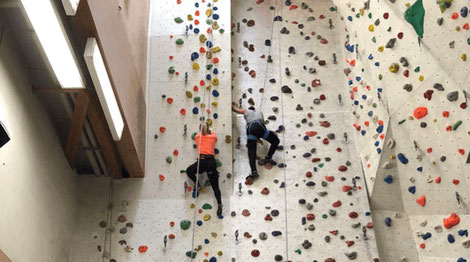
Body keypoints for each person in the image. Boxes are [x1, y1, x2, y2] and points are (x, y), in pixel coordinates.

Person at [232, 102, 280, 183]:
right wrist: (260, 137)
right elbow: (263, 126)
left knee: (252, 153)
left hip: (251, 128)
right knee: (275, 141)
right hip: (260, 127)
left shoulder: (246, 111)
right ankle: (268, 157)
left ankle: (254, 172)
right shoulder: (259, 112)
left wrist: (234, 106)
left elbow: (236, 110)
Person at [186, 123, 223, 216]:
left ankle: (197, 182)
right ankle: (219, 204)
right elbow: (213, 134)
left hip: (201, 162)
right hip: (211, 162)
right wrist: (210, 129)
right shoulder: (213, 137)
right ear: (208, 130)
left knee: (189, 170)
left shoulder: (198, 137)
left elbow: (201, 132)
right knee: (215, 187)